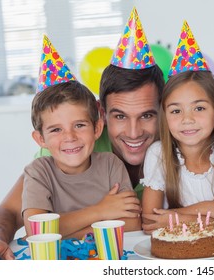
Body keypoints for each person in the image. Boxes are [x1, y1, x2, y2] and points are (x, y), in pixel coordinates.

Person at [0, 8, 164, 259]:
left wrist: (52, 232)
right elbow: (11, 213)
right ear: (102, 115)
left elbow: (131, 225)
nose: (134, 132)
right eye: (120, 116)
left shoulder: (176, 144)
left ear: (163, 111)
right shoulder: (58, 154)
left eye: (147, 115)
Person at [141, 21, 214, 234]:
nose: (188, 119)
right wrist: (212, 209)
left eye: (199, 108)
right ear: (165, 115)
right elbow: (150, 222)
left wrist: (176, 218)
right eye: (176, 111)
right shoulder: (158, 154)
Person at [23, 80, 140, 239]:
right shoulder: (39, 171)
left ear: (97, 129)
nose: (70, 137)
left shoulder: (110, 164)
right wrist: (100, 210)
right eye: (56, 129)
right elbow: (37, 231)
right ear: (40, 139)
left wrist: (59, 233)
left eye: (79, 125)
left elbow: (132, 224)